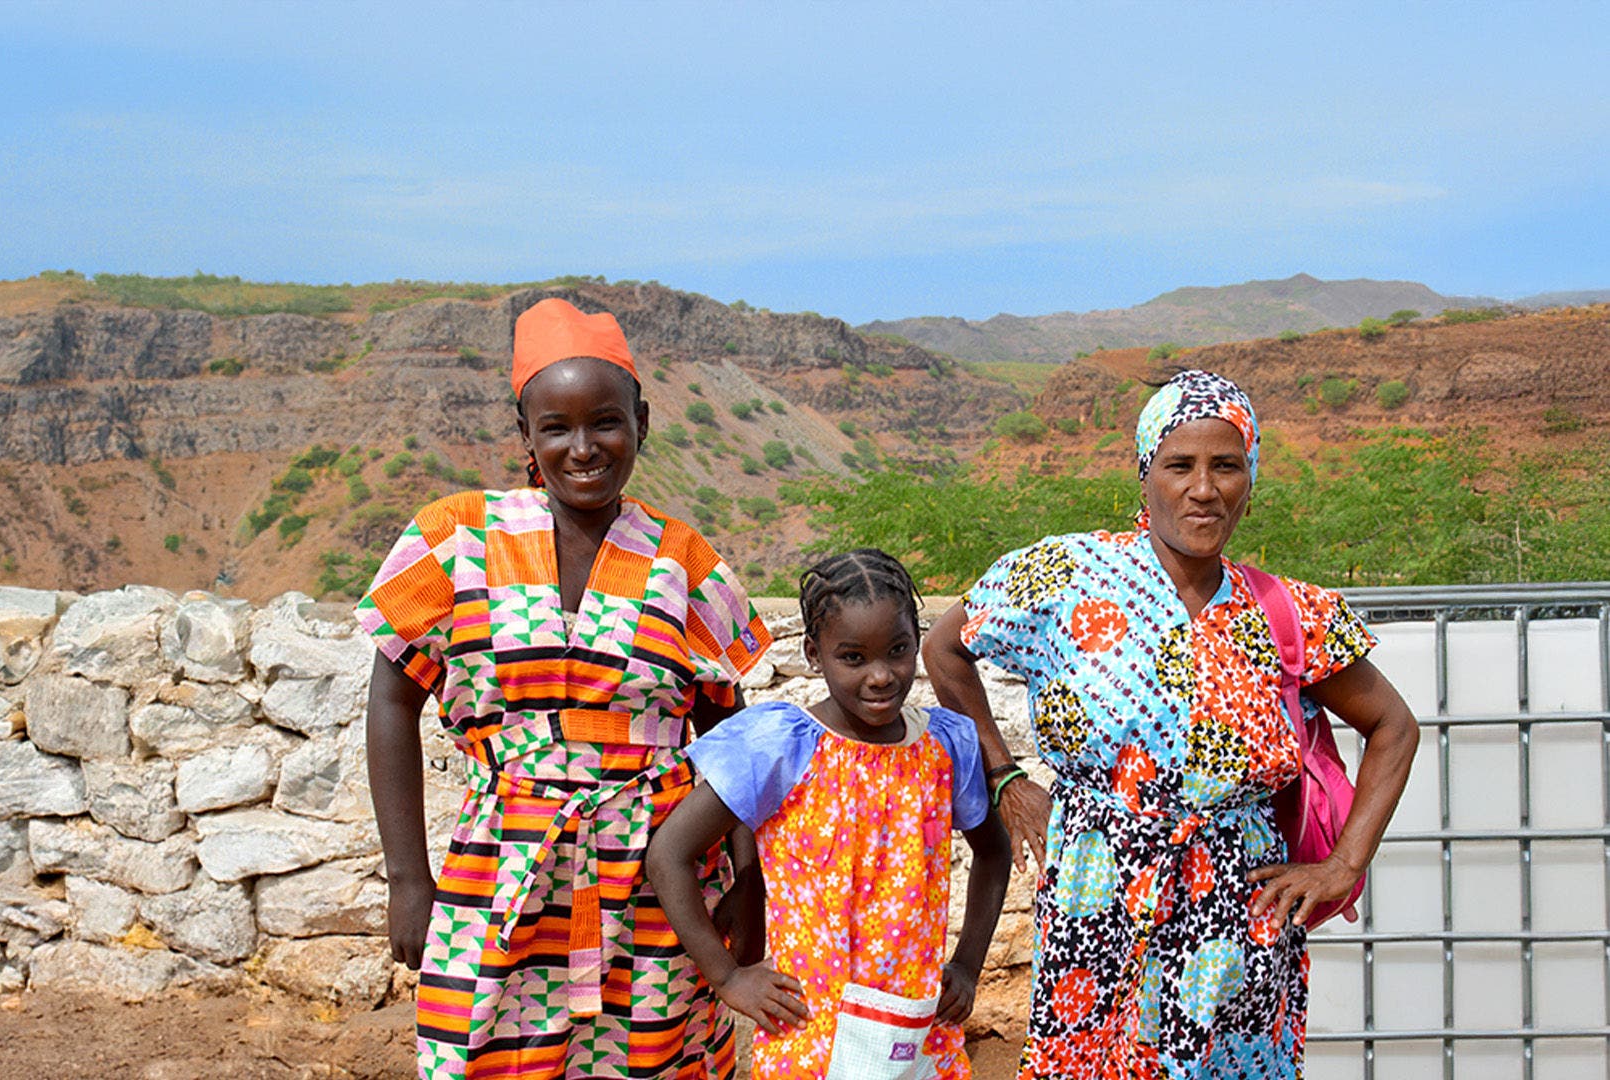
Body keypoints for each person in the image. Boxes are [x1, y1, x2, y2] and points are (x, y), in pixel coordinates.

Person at [920, 369, 1420, 1077]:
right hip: (1095, 900)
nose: (1203, 488)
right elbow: (945, 650)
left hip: (1238, 916)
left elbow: (1395, 727)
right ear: (1145, 474)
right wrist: (1004, 778)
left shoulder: (1288, 614)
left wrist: (1345, 864)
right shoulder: (1065, 577)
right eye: (1180, 465)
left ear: (1251, 480)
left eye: (1227, 466)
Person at [360, 297, 773, 1079]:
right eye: (556, 428)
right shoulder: (454, 540)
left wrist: (748, 884)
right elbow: (392, 699)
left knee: (654, 1055)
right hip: (501, 864)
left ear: (640, 423)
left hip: (657, 874)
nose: (583, 448)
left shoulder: (684, 562)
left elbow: (731, 735)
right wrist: (408, 879)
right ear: (526, 435)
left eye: (605, 423)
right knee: (480, 1051)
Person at [648, 548, 1013, 1079]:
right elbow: (668, 854)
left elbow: (994, 851)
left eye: (898, 650)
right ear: (813, 654)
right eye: (853, 657)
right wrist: (727, 977)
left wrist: (968, 963)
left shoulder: (944, 745)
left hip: (916, 1022)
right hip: (810, 1026)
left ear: (916, 641)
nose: (881, 675)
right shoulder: (782, 744)